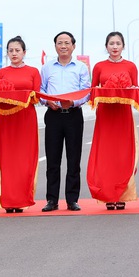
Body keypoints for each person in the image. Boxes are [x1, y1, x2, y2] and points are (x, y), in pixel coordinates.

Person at [40, 31, 91, 212]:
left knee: (73, 158)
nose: (63, 46)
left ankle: (72, 199)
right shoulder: (47, 68)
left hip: (73, 115)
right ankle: (52, 200)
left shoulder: (80, 67)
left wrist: (73, 102)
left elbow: (86, 92)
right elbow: (41, 90)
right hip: (53, 115)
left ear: (73, 46)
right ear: (55, 46)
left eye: (67, 43)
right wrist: (47, 101)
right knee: (53, 159)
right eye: (60, 43)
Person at [87, 32, 139, 210]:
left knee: (122, 154)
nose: (115, 47)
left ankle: (122, 194)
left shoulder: (131, 66)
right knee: (106, 155)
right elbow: (93, 90)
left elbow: (136, 91)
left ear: (123, 46)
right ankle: (108, 195)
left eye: (118, 43)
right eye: (111, 43)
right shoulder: (99, 66)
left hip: (123, 115)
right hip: (105, 115)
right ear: (106, 46)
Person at [0, 36, 41, 213]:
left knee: (24, 158)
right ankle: (8, 199)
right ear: (7, 53)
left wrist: (21, 98)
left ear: (24, 52)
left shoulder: (33, 71)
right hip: (6, 118)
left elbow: (37, 96)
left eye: (17, 50)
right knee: (7, 158)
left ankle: (22, 199)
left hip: (26, 118)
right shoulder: (2, 72)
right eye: (11, 50)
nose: (14, 53)